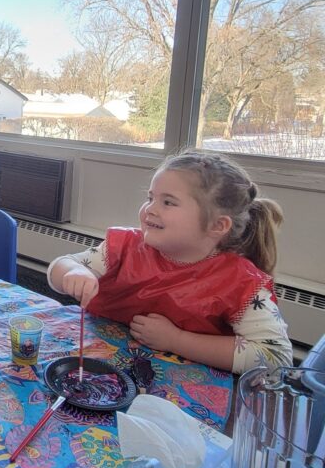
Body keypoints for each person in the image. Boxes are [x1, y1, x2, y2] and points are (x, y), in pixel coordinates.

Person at [48, 151, 292, 374]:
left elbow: (276, 357)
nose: (149, 209)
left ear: (218, 225)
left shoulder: (242, 282)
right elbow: (61, 265)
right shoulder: (122, 247)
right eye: (150, 197)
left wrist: (177, 340)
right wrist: (74, 272)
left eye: (168, 202)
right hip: (95, 366)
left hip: (182, 389)